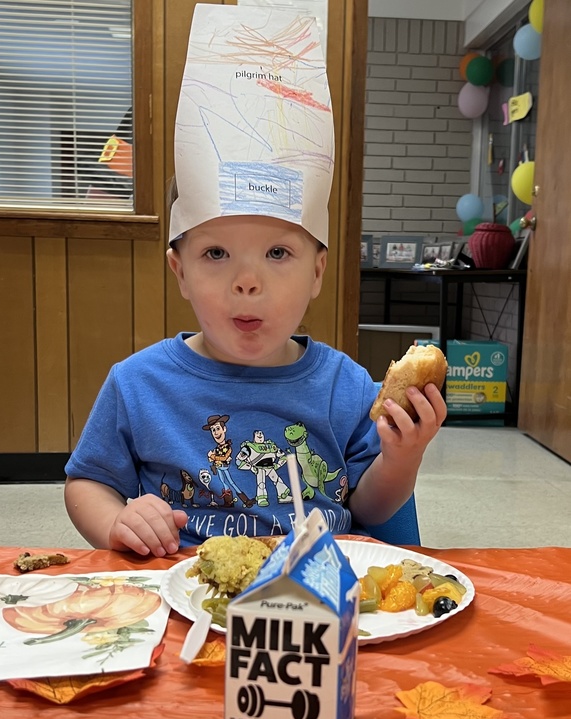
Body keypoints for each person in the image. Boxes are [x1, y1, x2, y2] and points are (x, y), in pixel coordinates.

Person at [64, 4, 446, 558]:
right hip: (184, 600)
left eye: (277, 252)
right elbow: (85, 483)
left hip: (313, 608)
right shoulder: (137, 386)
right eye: (216, 253)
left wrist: (403, 456)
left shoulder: (347, 389)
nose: (247, 281)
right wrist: (118, 519)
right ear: (181, 272)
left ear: (317, 272)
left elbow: (368, 510)